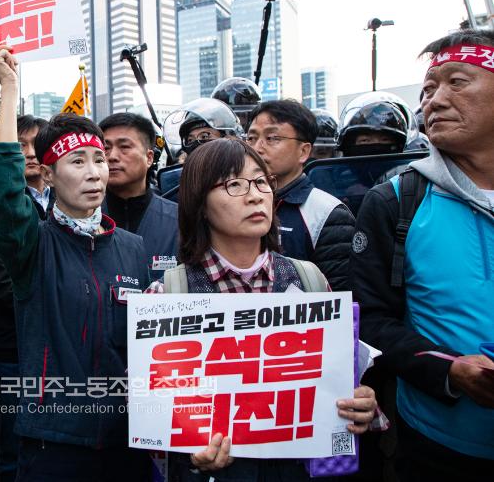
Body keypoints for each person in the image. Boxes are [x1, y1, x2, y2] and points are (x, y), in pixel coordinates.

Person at [144, 138, 378, 481]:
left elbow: (339, 385)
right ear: (199, 204)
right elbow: (150, 407)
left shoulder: (309, 279)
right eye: (234, 184)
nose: (255, 195)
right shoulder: (168, 294)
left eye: (260, 181)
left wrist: (359, 403)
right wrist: (190, 450)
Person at [0, 46, 152, 481]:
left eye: (99, 160)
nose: (94, 172)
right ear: (48, 174)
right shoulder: (32, 245)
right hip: (53, 442)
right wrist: (9, 89)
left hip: (126, 440)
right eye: (77, 161)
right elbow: (3, 193)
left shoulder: (134, 249)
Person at [352, 29, 494, 481]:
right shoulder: (395, 200)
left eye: (458, 82)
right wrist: (450, 371)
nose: (435, 101)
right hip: (437, 446)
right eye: (429, 89)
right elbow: (370, 318)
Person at [0, 114, 50, 482]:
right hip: (13, 349)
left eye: (37, 144)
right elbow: (0, 284)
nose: (30, 153)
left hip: (64, 351)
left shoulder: (71, 201)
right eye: (20, 145)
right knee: (14, 449)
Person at [246, 100, 355, 290]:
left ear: (303, 151)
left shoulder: (328, 213)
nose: (257, 148)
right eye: (251, 138)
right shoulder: (234, 202)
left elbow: (337, 296)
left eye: (272, 138)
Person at [99, 112, 179, 281]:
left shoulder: (179, 221)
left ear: (149, 158)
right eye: (106, 148)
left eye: (124, 147)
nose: (112, 157)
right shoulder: (84, 219)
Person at [162, 97, 244, 162]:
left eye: (205, 136)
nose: (196, 144)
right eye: (190, 140)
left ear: (227, 138)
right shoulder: (180, 176)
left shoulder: (243, 172)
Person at [337, 93, 411, 157]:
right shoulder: (338, 169)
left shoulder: (408, 169)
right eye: (365, 140)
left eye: (385, 139)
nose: (376, 145)